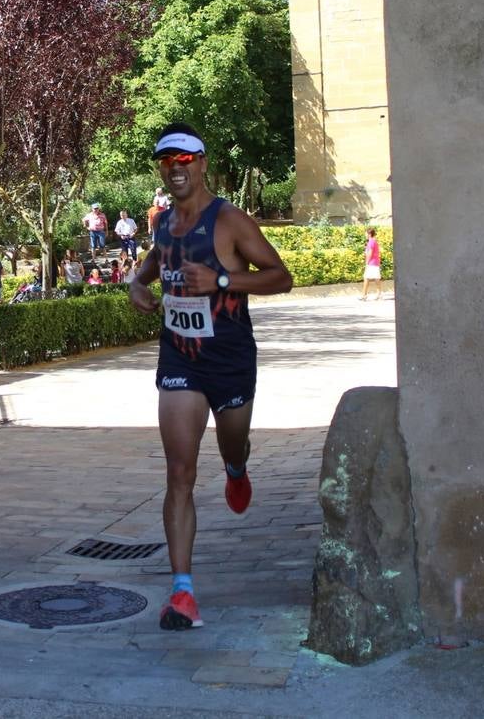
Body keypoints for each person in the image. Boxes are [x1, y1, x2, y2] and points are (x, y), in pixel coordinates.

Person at [128, 122, 292, 632]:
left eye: (183, 160)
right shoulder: (162, 222)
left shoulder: (230, 221)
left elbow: (281, 276)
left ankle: (238, 470)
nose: (174, 169)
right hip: (180, 358)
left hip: (230, 359)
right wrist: (137, 282)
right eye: (165, 162)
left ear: (201, 163)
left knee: (232, 446)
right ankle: (182, 593)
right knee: (179, 472)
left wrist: (221, 278)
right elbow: (157, 259)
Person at [360, 227, 383, 300]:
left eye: (366, 233)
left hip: (371, 263)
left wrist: (367, 263)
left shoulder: (371, 242)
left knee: (366, 278)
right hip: (375, 262)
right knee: (376, 278)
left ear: (369, 234)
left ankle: (364, 295)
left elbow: (370, 253)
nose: (365, 234)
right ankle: (378, 294)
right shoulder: (373, 241)